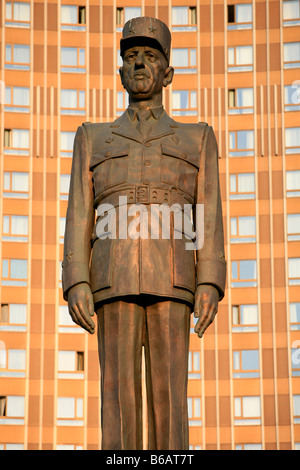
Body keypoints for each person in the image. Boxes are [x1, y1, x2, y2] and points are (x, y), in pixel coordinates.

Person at [62, 16, 226, 450]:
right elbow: (79, 210)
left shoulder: (197, 138)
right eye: (131, 56)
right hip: (111, 278)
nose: (139, 64)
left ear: (167, 73)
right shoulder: (92, 137)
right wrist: (76, 278)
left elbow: (207, 214)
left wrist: (209, 279)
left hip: (173, 277)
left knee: (171, 396)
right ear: (120, 72)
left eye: (150, 56)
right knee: (115, 394)